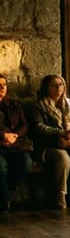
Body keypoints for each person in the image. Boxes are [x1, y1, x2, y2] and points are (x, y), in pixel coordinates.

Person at [26, 75, 70, 210]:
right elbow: (39, 126)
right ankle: (60, 194)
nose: (59, 88)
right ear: (46, 88)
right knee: (63, 158)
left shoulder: (69, 104)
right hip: (49, 143)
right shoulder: (38, 105)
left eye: (61, 84)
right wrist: (60, 132)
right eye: (54, 85)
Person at [0, 74, 34, 213]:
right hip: (0, 145)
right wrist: (3, 135)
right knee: (1, 167)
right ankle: (4, 202)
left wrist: (14, 136)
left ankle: (7, 192)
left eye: (4, 84)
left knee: (25, 163)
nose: (2, 87)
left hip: (15, 145)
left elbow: (24, 125)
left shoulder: (14, 104)